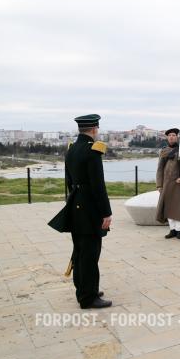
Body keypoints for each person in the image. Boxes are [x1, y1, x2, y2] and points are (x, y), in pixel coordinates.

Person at [64, 114, 112, 309]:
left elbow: (69, 181)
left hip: (75, 204)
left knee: (79, 251)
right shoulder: (93, 151)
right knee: (90, 253)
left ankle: (83, 290)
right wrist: (106, 212)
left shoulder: (71, 149)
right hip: (90, 209)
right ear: (94, 129)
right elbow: (98, 186)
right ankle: (88, 297)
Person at [156, 128, 180, 239]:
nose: (171, 137)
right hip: (166, 184)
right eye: (169, 135)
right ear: (167, 137)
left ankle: (179, 231)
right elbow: (160, 169)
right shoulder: (163, 151)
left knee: (178, 208)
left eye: (173, 135)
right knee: (169, 207)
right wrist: (159, 185)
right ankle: (172, 230)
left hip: (179, 184)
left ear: (177, 137)